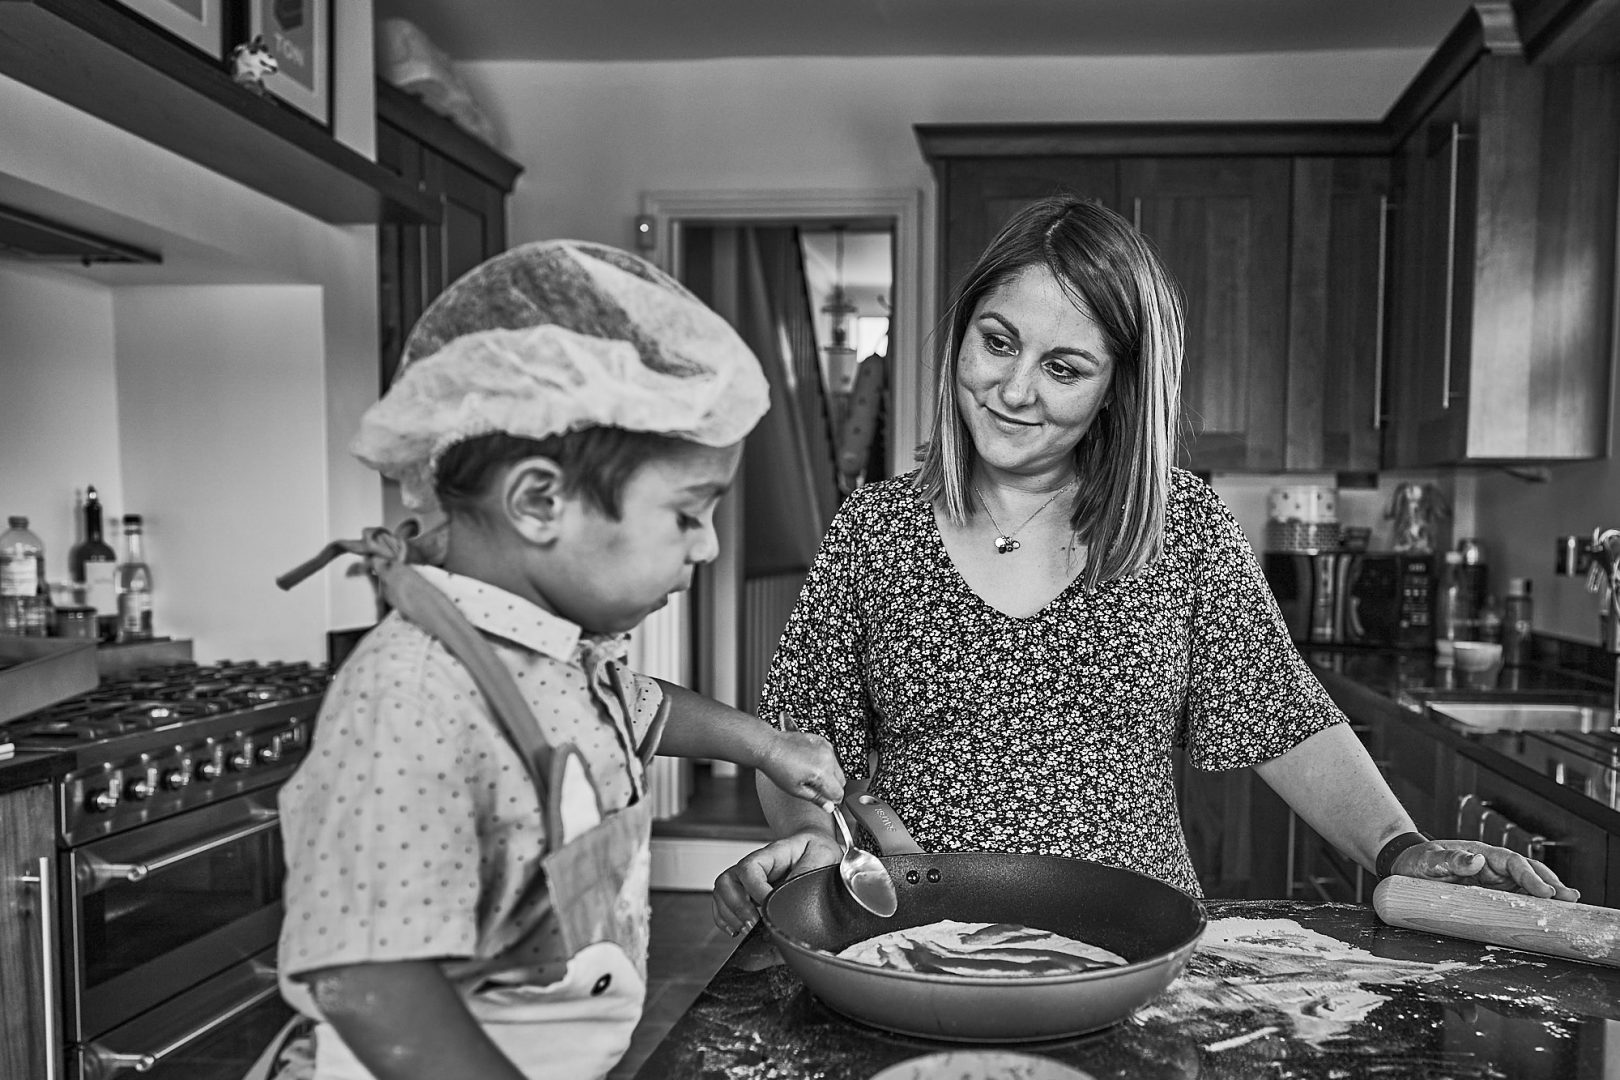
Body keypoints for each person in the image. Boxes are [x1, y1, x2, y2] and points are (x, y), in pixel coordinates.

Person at [712, 194, 1576, 936]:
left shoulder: (1181, 527)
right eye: (998, 342)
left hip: (1136, 948)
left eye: (1063, 368)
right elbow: (795, 742)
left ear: (1115, 388)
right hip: (920, 941)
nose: (1014, 390)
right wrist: (815, 841)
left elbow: (1284, 718)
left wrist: (1401, 848)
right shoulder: (874, 531)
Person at [273, 240, 845, 1080]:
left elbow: (641, 706)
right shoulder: (413, 692)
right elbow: (371, 984)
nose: (710, 546)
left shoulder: (555, 655)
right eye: (688, 514)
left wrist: (765, 746)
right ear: (540, 501)